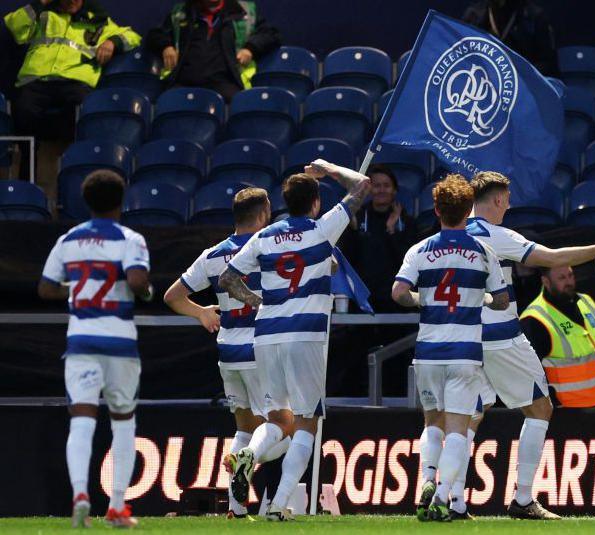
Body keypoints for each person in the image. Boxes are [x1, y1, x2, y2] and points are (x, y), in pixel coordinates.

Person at [462, 170, 595, 519]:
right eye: (507, 201)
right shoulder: (495, 235)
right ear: (497, 200)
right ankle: (523, 499)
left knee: (468, 416)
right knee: (540, 410)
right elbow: (555, 258)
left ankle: (447, 498)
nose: (508, 206)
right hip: (500, 337)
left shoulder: (450, 234)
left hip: (462, 336)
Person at [219, 161, 369, 521]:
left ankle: (249, 456)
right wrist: (328, 169)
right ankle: (279, 504)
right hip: (304, 335)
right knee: (306, 422)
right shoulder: (321, 230)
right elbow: (362, 186)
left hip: (267, 333)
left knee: (277, 418)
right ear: (315, 203)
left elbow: (227, 279)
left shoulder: (264, 236)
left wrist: (259, 302)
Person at [163, 187, 291, 519]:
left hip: (228, 351)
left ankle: (236, 509)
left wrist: (202, 313)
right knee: (284, 428)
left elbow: (172, 296)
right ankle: (256, 477)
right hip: (262, 346)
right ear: (264, 213)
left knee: (245, 426)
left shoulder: (211, 255)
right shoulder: (268, 248)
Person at [38, 170, 153, 528]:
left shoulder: (69, 239)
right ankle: (117, 506)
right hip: (119, 341)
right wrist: (145, 291)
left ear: (85, 201)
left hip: (82, 339)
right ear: (122, 201)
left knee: (82, 419)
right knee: (123, 421)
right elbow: (136, 281)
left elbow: (44, 288)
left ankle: (80, 494)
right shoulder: (130, 239)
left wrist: (73, 293)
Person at [391, 174, 509, 522]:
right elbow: (502, 301)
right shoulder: (483, 251)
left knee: (432, 422)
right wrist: (482, 297)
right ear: (468, 209)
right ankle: (442, 495)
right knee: (459, 426)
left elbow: (398, 293)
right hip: (465, 352)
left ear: (437, 210)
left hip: (428, 350)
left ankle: (426, 480)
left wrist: (422, 300)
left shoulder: (420, 250)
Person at [4, 0, 140, 140]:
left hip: (75, 82)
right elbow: (14, 26)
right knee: (23, 108)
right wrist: (42, 2)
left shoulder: (98, 20)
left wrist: (113, 42)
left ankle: (74, 154)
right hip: (37, 79)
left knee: (84, 107)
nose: (72, 1)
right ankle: (28, 157)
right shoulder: (45, 15)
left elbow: (132, 37)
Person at [521, 265, 595, 408]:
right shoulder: (534, 318)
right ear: (546, 281)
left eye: (570, 275)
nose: (569, 282)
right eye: (561, 278)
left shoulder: (587, 302)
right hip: (570, 410)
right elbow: (528, 372)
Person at [146, 0, 280, 102]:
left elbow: (271, 34)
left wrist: (250, 48)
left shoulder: (244, 11)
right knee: (165, 103)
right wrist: (166, 46)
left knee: (243, 105)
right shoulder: (181, 12)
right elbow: (154, 35)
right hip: (184, 83)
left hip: (226, 83)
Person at [351, 164, 416, 313]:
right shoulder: (357, 219)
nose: (381, 190)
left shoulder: (407, 222)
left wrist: (391, 231)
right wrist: (352, 230)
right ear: (369, 190)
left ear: (394, 190)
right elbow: (351, 257)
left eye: (386, 186)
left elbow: (409, 261)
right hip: (364, 298)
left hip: (394, 299)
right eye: (376, 185)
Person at [461, 0, 556, 75]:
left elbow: (547, 63)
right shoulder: (474, 15)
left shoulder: (534, 16)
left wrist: (520, 76)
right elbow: (464, 57)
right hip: (486, 86)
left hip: (524, 90)